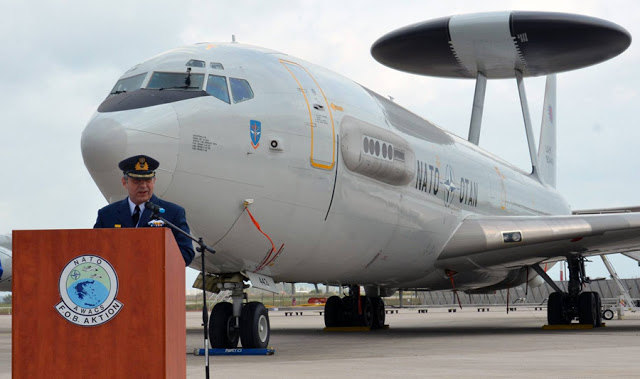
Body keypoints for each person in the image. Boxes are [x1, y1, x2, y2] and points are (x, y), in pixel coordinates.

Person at [94, 155, 195, 266]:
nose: (143, 186)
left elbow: (186, 253)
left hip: (157, 279)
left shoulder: (173, 213)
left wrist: (151, 262)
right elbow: (95, 250)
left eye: (147, 180)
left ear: (154, 181)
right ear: (124, 182)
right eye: (137, 181)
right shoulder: (107, 215)